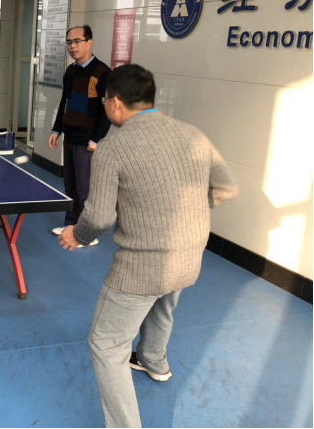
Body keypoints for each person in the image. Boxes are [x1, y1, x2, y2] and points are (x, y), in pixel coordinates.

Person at [58, 64, 239, 428]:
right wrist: (188, 210)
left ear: (115, 103)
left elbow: (99, 217)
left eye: (105, 100)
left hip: (142, 267)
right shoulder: (192, 134)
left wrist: (75, 235)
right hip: (189, 257)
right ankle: (153, 360)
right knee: (162, 301)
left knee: (106, 345)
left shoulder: (113, 147)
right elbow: (226, 188)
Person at [49, 25, 111, 247]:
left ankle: (86, 233)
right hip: (70, 136)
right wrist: (57, 129)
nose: (72, 46)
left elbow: (107, 110)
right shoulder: (70, 71)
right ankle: (70, 225)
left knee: (85, 189)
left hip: (88, 141)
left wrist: (96, 139)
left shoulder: (103, 73)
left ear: (89, 42)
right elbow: (64, 102)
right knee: (71, 185)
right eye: (69, 42)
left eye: (77, 41)